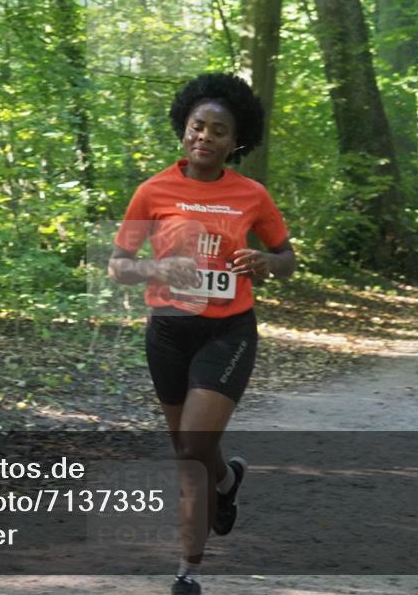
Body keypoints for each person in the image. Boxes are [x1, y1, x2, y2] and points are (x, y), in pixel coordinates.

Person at [108, 73, 296, 595]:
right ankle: (226, 481)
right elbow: (119, 266)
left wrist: (267, 262)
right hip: (168, 333)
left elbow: (287, 258)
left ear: (236, 141)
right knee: (188, 451)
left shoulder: (252, 194)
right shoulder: (152, 191)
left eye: (218, 131)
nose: (205, 137)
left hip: (228, 332)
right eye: (197, 126)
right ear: (183, 128)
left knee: (194, 445)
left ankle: (186, 573)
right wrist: (157, 269)